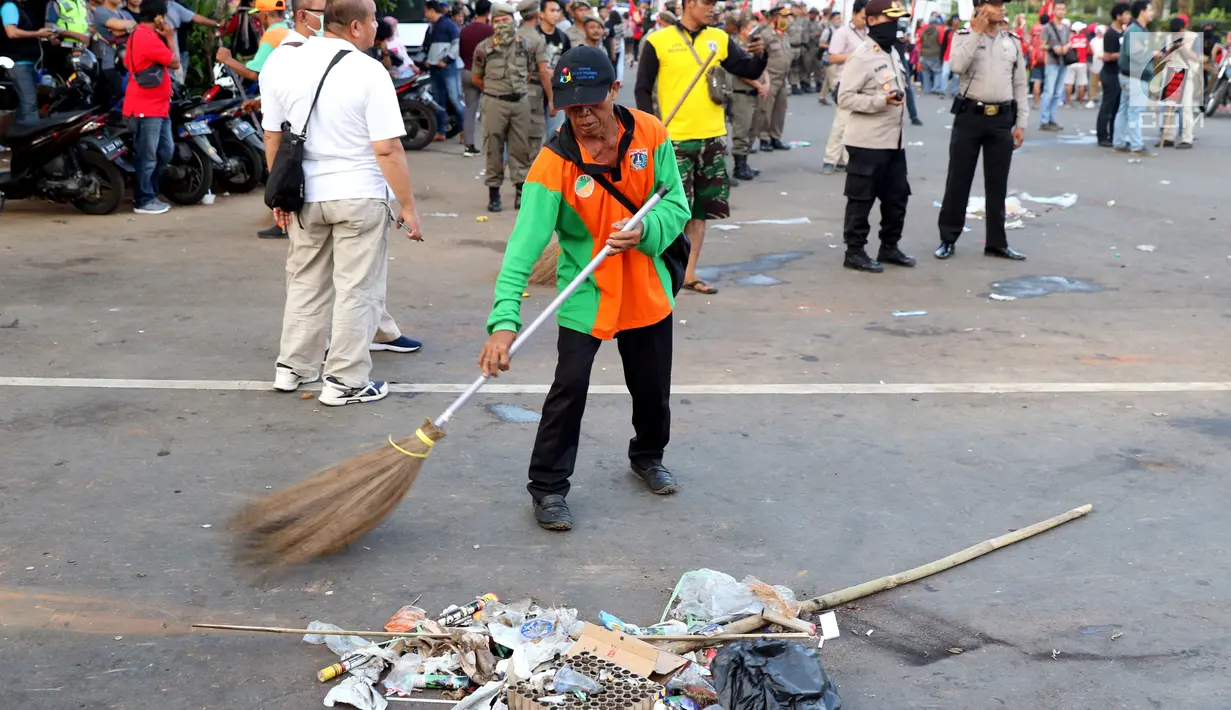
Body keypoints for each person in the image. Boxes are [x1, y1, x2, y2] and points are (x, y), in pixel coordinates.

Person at [478, 45, 691, 531]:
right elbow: (521, 251)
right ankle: (548, 487)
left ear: (614, 91)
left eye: (591, 105)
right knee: (568, 390)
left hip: (645, 287)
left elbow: (677, 203)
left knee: (652, 387)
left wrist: (647, 231)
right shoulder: (553, 165)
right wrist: (503, 322)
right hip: (586, 290)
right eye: (571, 107)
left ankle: (648, 455)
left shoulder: (650, 134)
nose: (582, 117)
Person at [260, 0, 423, 405]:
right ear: (355, 26)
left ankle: (292, 367)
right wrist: (408, 205)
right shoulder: (368, 71)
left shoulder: (285, 64)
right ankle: (346, 381)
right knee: (356, 288)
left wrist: (277, 194)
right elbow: (387, 149)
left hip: (305, 194)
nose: (377, 29)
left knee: (305, 283)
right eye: (373, 22)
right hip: (359, 194)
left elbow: (272, 137)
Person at [635, 0, 767, 296]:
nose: (712, 9)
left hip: (712, 139)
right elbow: (642, 88)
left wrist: (761, 56)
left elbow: (747, 67)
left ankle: (689, 273)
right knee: (671, 212)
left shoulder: (719, 39)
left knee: (700, 211)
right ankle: (662, 272)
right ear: (689, 4)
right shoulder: (658, 41)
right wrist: (650, 129)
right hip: (674, 141)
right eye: (707, 3)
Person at [934, 0, 1028, 262]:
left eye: (1002, 5)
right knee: (958, 180)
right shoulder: (964, 36)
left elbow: (1020, 84)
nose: (1002, 9)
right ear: (980, 7)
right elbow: (956, 65)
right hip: (970, 117)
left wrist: (1021, 122)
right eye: (995, 4)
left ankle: (997, 243)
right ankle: (948, 239)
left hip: (1002, 119)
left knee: (998, 183)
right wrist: (976, 32)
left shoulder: (1013, 41)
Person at [837, 0, 912, 274]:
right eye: (890, 19)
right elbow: (844, 98)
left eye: (898, 20)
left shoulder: (891, 53)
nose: (896, 25)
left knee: (897, 197)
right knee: (861, 199)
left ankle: (889, 247)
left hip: (894, 142)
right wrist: (881, 101)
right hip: (867, 142)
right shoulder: (862, 55)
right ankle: (854, 251)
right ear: (873, 20)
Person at [474, 2, 536, 212]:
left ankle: (520, 193)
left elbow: (529, 71)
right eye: (497, 21)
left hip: (520, 103)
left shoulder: (526, 46)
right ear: (492, 23)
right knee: (493, 148)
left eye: (506, 20)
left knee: (520, 149)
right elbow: (477, 77)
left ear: (513, 21)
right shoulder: (484, 48)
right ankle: (494, 195)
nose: (502, 24)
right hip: (494, 102)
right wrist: (496, 90)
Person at [122, 0, 178, 215]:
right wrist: (171, 37)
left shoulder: (140, 35)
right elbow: (174, 62)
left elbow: (128, 63)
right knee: (148, 156)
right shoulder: (146, 37)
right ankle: (144, 199)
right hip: (146, 108)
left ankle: (151, 193)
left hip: (158, 107)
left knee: (165, 151)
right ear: (158, 18)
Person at [820, 0, 867, 174]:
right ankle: (829, 159)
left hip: (862, 83)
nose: (865, 20)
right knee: (841, 124)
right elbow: (832, 58)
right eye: (863, 17)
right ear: (854, 14)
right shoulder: (843, 33)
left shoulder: (867, 33)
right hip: (845, 82)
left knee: (855, 125)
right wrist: (857, 56)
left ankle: (845, 159)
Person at [1112, 0, 1154, 156]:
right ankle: (1137, 145)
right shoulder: (1135, 30)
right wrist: (1153, 54)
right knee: (1135, 111)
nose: (1152, 13)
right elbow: (1135, 54)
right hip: (1135, 76)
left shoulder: (1139, 30)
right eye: (1150, 10)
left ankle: (1120, 142)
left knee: (1124, 110)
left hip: (1129, 75)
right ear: (1142, 12)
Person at [1, 0, 53, 124]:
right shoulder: (9, 6)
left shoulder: (19, 8)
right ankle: (30, 135)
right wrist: (37, 34)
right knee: (29, 103)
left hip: (25, 62)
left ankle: (19, 134)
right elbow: (11, 32)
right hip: (17, 62)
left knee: (24, 102)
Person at [215, 0, 288, 84]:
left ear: (265, 15)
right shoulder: (289, 30)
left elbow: (254, 74)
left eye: (259, 13)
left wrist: (227, 59)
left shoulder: (272, 36)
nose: (258, 17)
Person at [728, 12, 764, 181]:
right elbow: (738, 70)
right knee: (741, 130)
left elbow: (764, 65)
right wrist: (758, 84)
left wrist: (766, 84)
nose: (754, 31)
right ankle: (739, 165)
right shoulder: (736, 46)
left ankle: (745, 162)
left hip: (756, 92)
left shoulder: (755, 45)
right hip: (741, 93)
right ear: (742, 29)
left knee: (753, 128)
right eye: (751, 28)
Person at [424, 0, 463, 143]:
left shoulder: (448, 24)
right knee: (438, 101)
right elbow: (427, 46)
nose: (425, 15)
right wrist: (427, 59)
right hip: (435, 68)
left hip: (449, 68)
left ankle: (465, 130)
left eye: (426, 11)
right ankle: (441, 131)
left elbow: (457, 44)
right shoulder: (431, 27)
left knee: (455, 99)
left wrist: (446, 60)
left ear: (431, 11)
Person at [1160, 14, 1200, 149]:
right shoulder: (1168, 38)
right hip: (1171, 73)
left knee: (1186, 107)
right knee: (1169, 107)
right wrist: (1171, 49)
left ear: (1184, 28)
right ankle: (1168, 137)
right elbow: (1163, 56)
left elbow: (1197, 58)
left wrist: (1184, 48)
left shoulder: (1194, 37)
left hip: (1186, 73)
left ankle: (1187, 138)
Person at [460, 0, 494, 157]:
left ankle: (469, 146)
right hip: (486, 75)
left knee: (470, 110)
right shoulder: (490, 30)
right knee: (490, 111)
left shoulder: (465, 30)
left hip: (467, 71)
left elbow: (460, 51)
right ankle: (491, 146)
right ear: (489, 12)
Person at [758, 5, 793, 153]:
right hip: (770, 77)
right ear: (774, 18)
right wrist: (764, 78)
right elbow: (759, 57)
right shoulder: (766, 35)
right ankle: (764, 138)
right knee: (766, 109)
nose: (785, 19)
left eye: (787, 17)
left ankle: (775, 137)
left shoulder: (784, 35)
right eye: (782, 16)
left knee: (780, 109)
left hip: (783, 77)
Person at [163, 0, 218, 81]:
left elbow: (194, 17)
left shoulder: (175, 5)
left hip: (179, 51)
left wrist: (217, 24)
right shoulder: (150, 8)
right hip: (163, 55)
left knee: (177, 84)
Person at [1038, 0, 1071, 131]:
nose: (1061, 12)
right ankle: (1044, 120)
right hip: (1052, 61)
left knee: (1058, 93)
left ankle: (1052, 118)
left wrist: (1067, 47)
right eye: (1058, 9)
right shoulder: (1047, 27)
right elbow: (1042, 45)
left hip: (1064, 62)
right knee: (1049, 91)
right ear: (1054, 11)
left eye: (1063, 9)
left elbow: (1068, 42)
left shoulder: (1066, 28)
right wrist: (1053, 47)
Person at [816, 10, 840, 103]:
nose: (839, 20)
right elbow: (821, 44)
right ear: (832, 20)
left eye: (840, 19)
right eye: (837, 18)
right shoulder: (828, 31)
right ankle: (837, 97)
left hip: (837, 57)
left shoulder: (840, 30)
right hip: (829, 58)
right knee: (833, 78)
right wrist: (832, 46)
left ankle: (822, 97)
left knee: (827, 78)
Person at [1065, 21, 1088, 107]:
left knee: (1069, 82)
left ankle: (1067, 102)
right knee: (1081, 83)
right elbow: (1087, 49)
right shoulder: (1084, 39)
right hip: (1082, 62)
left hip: (1071, 62)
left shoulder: (1071, 39)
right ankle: (1081, 103)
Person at [917, 14, 942, 94]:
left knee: (926, 73)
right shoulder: (937, 32)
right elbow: (940, 42)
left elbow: (920, 43)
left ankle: (927, 90)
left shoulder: (923, 32)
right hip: (934, 54)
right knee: (937, 72)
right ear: (935, 23)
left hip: (924, 55)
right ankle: (935, 88)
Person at [786, 2, 805, 93]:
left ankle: (794, 85)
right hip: (789, 47)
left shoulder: (800, 21)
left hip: (798, 47)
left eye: (799, 8)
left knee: (795, 67)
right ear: (791, 9)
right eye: (796, 8)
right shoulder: (787, 20)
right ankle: (785, 86)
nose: (798, 10)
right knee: (787, 67)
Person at [801, 6, 822, 93]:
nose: (814, 15)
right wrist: (814, 35)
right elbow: (805, 36)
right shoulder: (806, 23)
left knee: (817, 67)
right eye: (812, 14)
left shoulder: (818, 24)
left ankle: (819, 84)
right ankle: (806, 84)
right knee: (807, 67)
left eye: (815, 14)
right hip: (808, 48)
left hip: (816, 48)